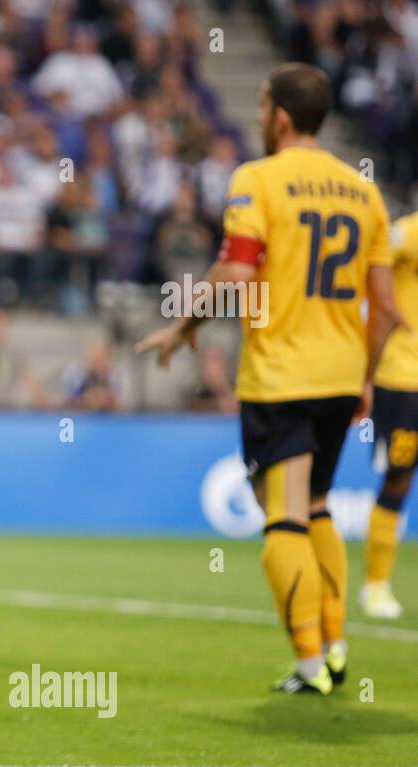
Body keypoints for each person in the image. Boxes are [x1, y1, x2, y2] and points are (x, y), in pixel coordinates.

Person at [136, 63, 402, 695]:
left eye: (260, 105)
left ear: (280, 115)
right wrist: (365, 376)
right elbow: (387, 308)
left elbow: (237, 276)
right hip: (341, 377)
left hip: (281, 375)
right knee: (316, 509)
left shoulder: (256, 180)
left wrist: (184, 327)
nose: (258, 117)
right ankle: (334, 647)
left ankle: (312, 665)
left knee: (282, 517)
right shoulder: (362, 190)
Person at [360, 210, 418, 618]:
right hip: (403, 377)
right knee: (398, 477)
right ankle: (376, 585)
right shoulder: (408, 232)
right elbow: (369, 260)